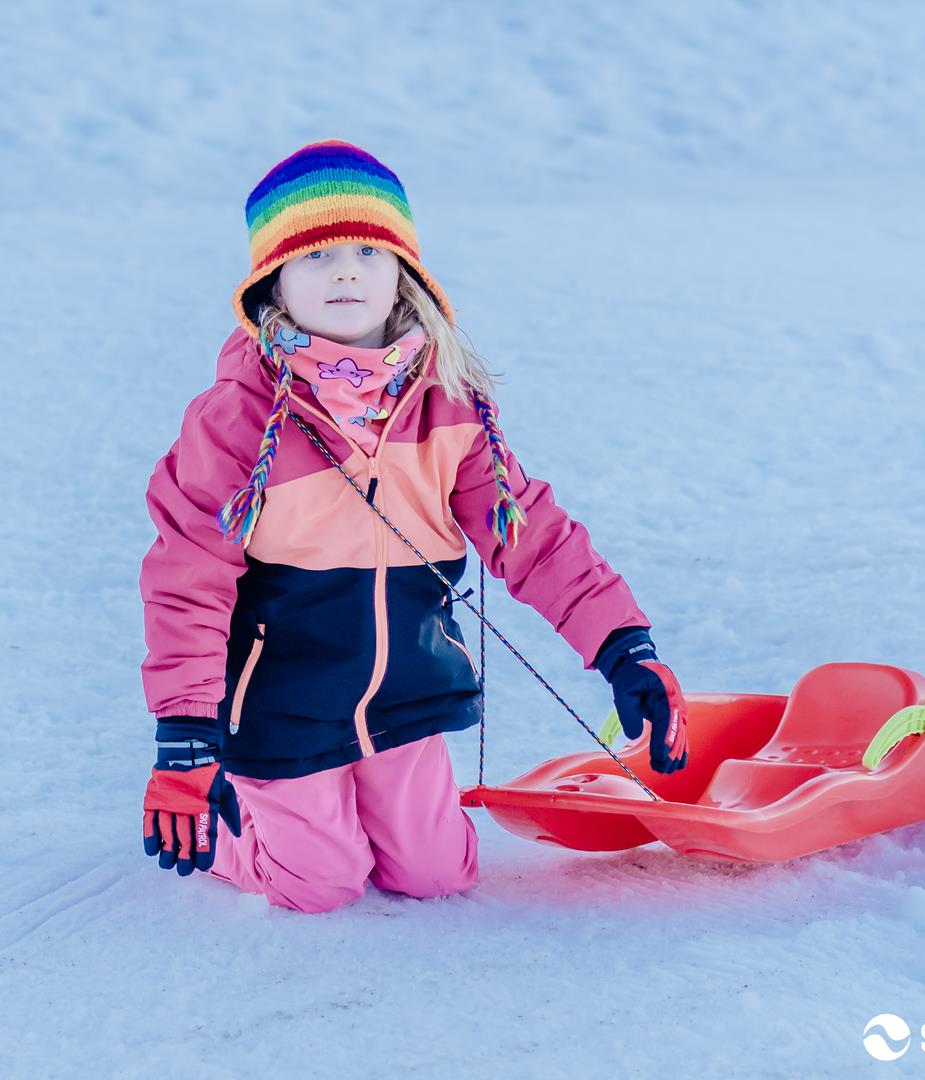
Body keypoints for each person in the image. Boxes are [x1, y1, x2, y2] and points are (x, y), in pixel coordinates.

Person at [139, 138, 689, 914]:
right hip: (281, 702)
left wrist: (623, 647)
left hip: (403, 691)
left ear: (403, 270)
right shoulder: (237, 420)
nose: (346, 273)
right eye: (316, 255)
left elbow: (530, 535)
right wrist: (188, 733)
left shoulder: (447, 404)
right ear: (272, 283)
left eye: (368, 250)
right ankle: (234, 821)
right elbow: (187, 576)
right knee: (321, 885)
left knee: (437, 874)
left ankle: (348, 814)